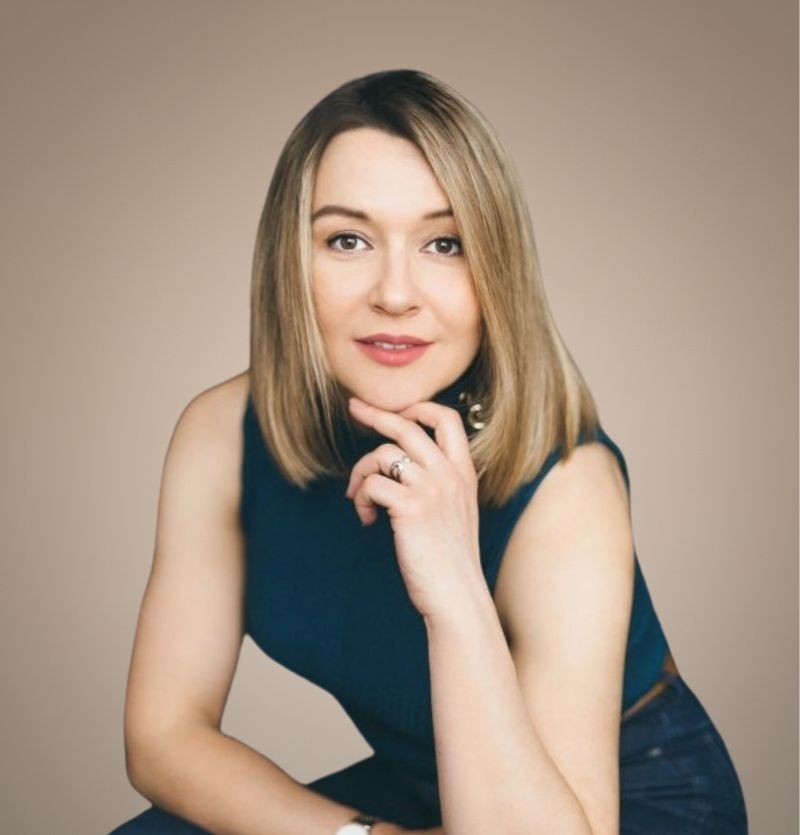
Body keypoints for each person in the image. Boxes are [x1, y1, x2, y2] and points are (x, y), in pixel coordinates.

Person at [109, 69, 748, 835]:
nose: (396, 292)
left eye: (445, 243)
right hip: (429, 788)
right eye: (348, 239)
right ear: (290, 260)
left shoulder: (568, 485)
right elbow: (163, 736)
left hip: (618, 801)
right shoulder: (221, 432)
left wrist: (454, 587)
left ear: (494, 272)